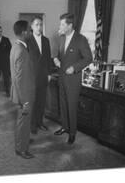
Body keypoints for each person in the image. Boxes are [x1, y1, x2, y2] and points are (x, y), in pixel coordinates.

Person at [53, 13, 92, 144]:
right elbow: (61, 55)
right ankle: (64, 127)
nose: (60, 26)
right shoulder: (62, 38)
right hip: (62, 78)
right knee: (63, 105)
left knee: (72, 106)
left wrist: (74, 68)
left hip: (73, 80)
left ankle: (72, 132)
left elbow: (88, 58)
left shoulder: (81, 39)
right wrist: (57, 59)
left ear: (70, 25)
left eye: (63, 24)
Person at [10, 20, 35, 159]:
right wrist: (24, 101)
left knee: (24, 122)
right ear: (24, 32)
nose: (31, 32)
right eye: (30, 30)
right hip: (24, 95)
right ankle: (20, 148)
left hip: (22, 93)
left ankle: (24, 139)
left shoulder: (16, 46)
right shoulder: (21, 50)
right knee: (23, 121)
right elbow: (19, 79)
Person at [26, 17, 52, 134]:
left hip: (43, 76)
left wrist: (49, 73)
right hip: (31, 76)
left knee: (41, 100)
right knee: (33, 101)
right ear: (31, 27)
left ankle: (40, 122)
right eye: (36, 24)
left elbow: (48, 58)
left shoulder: (46, 40)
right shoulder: (27, 40)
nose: (39, 27)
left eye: (41, 24)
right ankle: (32, 125)